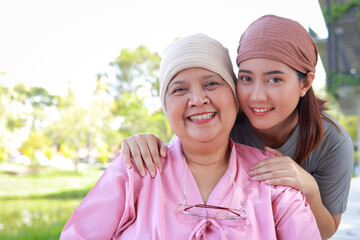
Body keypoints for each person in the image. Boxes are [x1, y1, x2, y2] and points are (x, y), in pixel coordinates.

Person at [60, 33, 321, 239]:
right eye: (179, 89)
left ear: (234, 97)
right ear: (166, 106)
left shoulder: (272, 179)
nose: (197, 99)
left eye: (211, 84)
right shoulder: (134, 170)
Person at [121, 15, 354, 239]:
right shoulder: (225, 122)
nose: (257, 96)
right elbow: (183, 148)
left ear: (306, 83)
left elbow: (327, 231)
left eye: (274, 79)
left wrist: (309, 189)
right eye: (246, 78)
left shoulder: (332, 142)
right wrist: (146, 143)